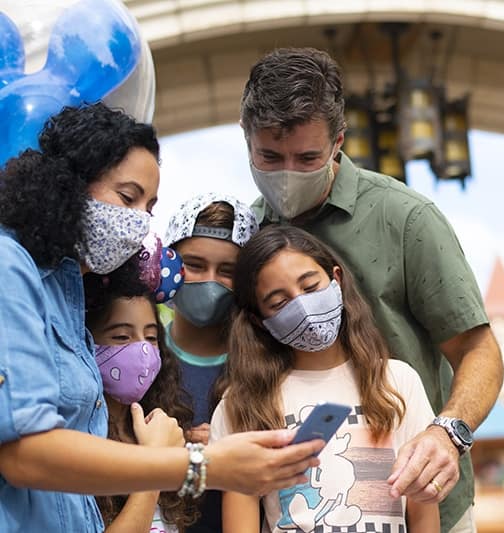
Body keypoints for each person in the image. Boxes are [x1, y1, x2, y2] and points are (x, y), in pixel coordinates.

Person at [0, 102, 325, 533]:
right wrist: (200, 464)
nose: (137, 222)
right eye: (126, 197)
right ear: (66, 186)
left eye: (149, 207)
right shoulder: (10, 267)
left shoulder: (70, 294)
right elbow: (25, 454)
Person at [241, 47, 504, 532]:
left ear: (339, 142)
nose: (287, 173)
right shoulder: (248, 231)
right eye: (269, 156)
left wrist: (448, 434)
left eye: (307, 157)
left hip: (423, 504)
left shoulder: (406, 219)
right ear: (246, 140)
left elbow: (479, 349)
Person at [209, 225, 440, 532]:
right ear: (259, 321)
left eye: (310, 286)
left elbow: (424, 511)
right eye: (279, 303)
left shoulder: (398, 381)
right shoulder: (242, 402)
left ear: (337, 279)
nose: (302, 305)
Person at [163, 192, 260, 533]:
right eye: (195, 265)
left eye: (228, 270)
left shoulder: (264, 366)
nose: (209, 280)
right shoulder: (137, 354)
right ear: (169, 261)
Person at [86, 291, 196, 533]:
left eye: (151, 337)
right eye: (122, 336)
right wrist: (155, 459)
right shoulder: (77, 441)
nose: (143, 350)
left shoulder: (162, 427)